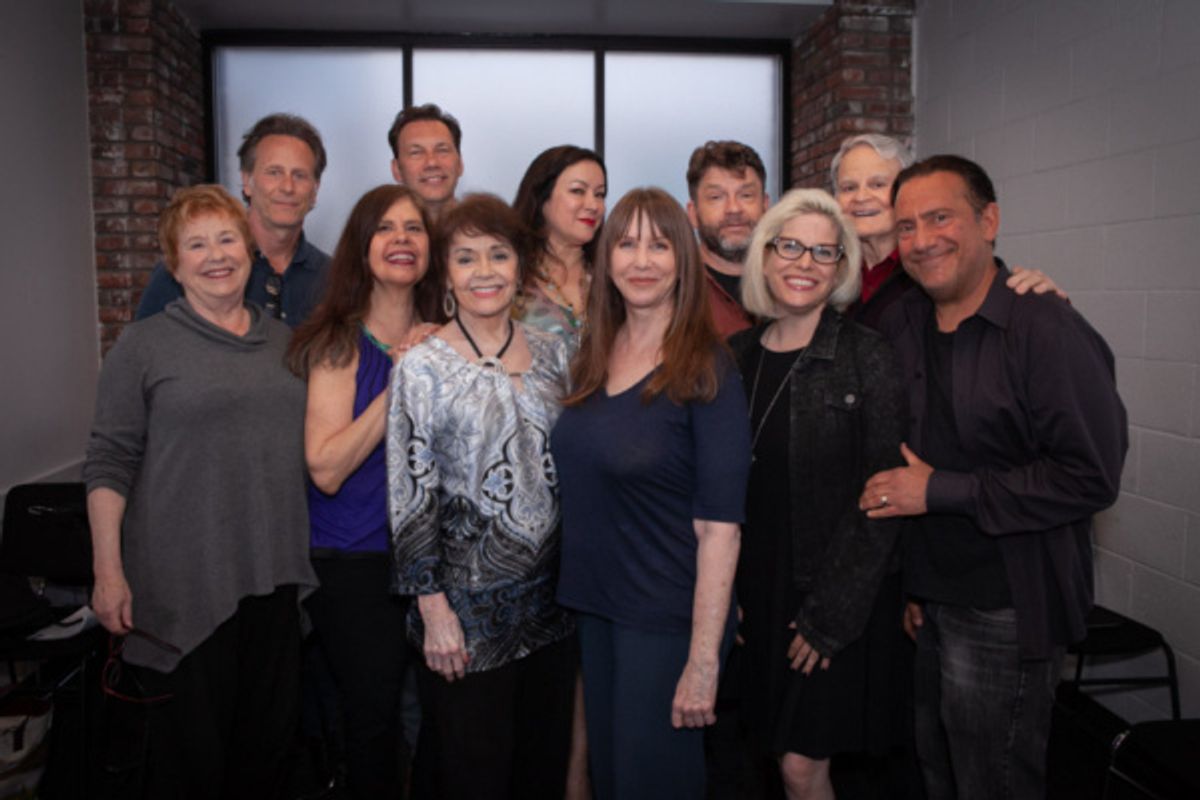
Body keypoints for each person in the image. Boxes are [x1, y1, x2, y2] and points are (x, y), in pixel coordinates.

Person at [860, 155, 1127, 800]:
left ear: (989, 221)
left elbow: (1089, 477)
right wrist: (917, 583)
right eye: (906, 227)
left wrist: (939, 491)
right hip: (931, 599)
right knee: (939, 773)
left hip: (1007, 604)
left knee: (993, 783)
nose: (922, 240)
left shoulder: (1045, 327)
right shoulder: (902, 322)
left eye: (940, 218)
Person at [84, 184, 318, 798]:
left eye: (226, 239)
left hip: (272, 576)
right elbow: (109, 461)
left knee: (265, 754)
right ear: (174, 262)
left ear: (249, 250)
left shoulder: (286, 345)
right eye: (196, 244)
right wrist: (108, 572)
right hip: (181, 583)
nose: (215, 255)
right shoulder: (142, 347)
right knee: (190, 764)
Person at [552, 187, 752, 800]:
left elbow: (721, 527)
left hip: (665, 622)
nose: (642, 260)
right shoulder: (592, 354)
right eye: (628, 244)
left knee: (651, 784)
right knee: (614, 780)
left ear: (682, 261)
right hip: (598, 609)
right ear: (606, 258)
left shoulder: (706, 369)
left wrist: (702, 661)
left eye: (660, 245)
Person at [386, 194, 576, 799]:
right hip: (465, 617)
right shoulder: (422, 367)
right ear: (445, 273)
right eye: (466, 258)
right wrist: (433, 611)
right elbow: (409, 497)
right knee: (474, 774)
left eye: (498, 255)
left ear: (520, 266)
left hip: (552, 607)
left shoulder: (557, 354)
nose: (485, 271)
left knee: (539, 768)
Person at [728, 189, 906, 800]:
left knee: (803, 768)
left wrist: (831, 618)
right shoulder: (737, 358)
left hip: (832, 602)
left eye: (824, 252)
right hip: (759, 595)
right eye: (792, 246)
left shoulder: (868, 358)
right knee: (776, 757)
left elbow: (885, 501)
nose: (805, 262)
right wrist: (730, 594)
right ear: (766, 255)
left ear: (840, 269)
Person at [285, 185, 441, 799]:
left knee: (440, 723)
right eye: (385, 228)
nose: (401, 239)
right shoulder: (337, 342)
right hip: (355, 563)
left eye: (414, 228)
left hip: (431, 562)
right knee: (372, 728)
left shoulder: (447, 337)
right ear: (361, 247)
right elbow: (324, 467)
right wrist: (403, 377)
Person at [832, 133, 1061, 328]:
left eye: (878, 184)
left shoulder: (934, 264)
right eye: (848, 188)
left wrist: (1039, 304)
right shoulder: (826, 270)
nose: (861, 197)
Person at [136, 113, 331, 327]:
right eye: (274, 172)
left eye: (300, 175)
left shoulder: (334, 278)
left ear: (315, 190)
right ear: (247, 181)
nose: (287, 187)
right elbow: (142, 353)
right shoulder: (191, 269)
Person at [512, 144, 607, 344]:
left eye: (600, 194)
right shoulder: (511, 274)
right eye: (578, 191)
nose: (593, 205)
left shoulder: (612, 275)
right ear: (541, 198)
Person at [686, 140, 771, 337]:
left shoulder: (792, 283)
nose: (733, 209)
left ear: (765, 206)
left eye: (746, 195)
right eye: (716, 197)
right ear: (693, 213)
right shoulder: (674, 290)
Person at [388, 103, 465, 221]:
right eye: (416, 153)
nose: (432, 163)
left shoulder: (489, 234)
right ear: (397, 170)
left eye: (442, 150)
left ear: (460, 164)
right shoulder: (380, 237)